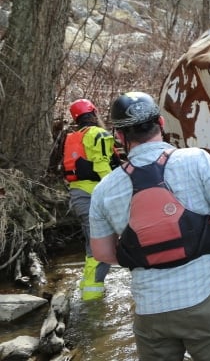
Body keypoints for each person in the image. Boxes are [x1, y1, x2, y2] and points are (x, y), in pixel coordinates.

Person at [89, 91, 210, 361]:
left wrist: (151, 253)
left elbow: (102, 253)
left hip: (150, 310)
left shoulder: (103, 190)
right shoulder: (195, 160)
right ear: (161, 124)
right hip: (207, 297)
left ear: (119, 136)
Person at [62, 98, 118, 301]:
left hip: (78, 196)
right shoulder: (98, 134)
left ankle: (87, 287)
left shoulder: (72, 137)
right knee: (101, 247)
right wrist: (116, 192)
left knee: (92, 244)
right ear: (94, 113)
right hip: (95, 196)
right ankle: (92, 299)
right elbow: (103, 167)